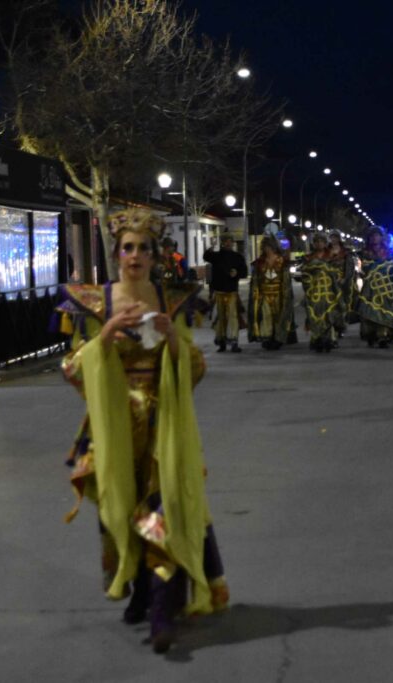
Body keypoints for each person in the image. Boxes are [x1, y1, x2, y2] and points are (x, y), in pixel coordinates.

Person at [53, 208, 227, 654]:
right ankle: (142, 591)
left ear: (154, 256)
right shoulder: (95, 303)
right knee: (122, 511)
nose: (134, 256)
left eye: (143, 248)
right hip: (115, 427)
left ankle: (162, 613)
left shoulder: (173, 300)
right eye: (127, 248)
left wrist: (172, 340)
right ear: (116, 254)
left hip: (164, 425)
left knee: (163, 509)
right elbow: (72, 368)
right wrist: (105, 336)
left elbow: (195, 369)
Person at [357, 227, 393, 348]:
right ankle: (371, 334)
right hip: (371, 288)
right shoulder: (365, 253)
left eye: (377, 235)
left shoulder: (389, 252)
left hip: (386, 288)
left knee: (386, 310)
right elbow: (364, 269)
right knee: (369, 311)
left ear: (382, 237)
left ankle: (384, 335)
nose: (375, 238)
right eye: (372, 236)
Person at [248, 236, 296, 350]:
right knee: (266, 316)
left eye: (269, 246)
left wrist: (286, 295)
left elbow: (286, 280)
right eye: (265, 247)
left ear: (274, 247)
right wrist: (256, 293)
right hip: (264, 295)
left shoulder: (282, 261)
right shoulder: (260, 262)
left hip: (279, 295)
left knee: (279, 317)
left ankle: (278, 339)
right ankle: (267, 338)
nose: (267, 249)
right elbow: (256, 280)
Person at [202, 232, 248, 352]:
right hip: (219, 292)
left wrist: (236, 273)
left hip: (232, 291)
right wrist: (211, 246)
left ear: (232, 243)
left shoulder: (238, 257)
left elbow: (244, 272)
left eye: (230, 241)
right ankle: (221, 342)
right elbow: (206, 256)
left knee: (233, 318)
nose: (228, 243)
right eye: (225, 241)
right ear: (222, 243)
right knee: (220, 318)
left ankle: (234, 342)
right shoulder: (216, 256)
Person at [301, 233, 339, 352]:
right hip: (314, 292)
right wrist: (309, 285)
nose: (319, 244)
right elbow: (305, 275)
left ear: (325, 243)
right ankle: (316, 338)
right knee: (314, 315)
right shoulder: (308, 258)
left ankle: (329, 339)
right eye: (316, 241)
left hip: (328, 291)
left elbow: (337, 272)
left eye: (321, 241)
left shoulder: (332, 256)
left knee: (329, 315)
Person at [326, 231, 357, 338]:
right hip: (329, 282)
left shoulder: (345, 252)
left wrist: (345, 278)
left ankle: (341, 327)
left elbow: (350, 267)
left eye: (335, 237)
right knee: (330, 305)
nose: (333, 239)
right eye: (332, 237)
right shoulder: (326, 251)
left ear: (339, 239)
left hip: (342, 283)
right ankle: (331, 326)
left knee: (341, 305)